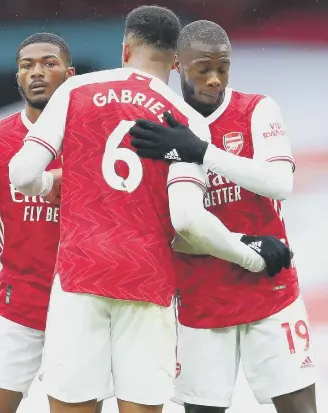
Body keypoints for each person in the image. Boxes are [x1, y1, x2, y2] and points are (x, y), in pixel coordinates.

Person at [8, 5, 291, 413]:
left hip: (79, 275)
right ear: (176, 62)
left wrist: (50, 182)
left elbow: (20, 174)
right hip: (147, 281)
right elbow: (189, 223)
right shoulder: (187, 120)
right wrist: (250, 256)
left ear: (125, 49)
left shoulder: (76, 90)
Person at [129, 20, 315, 413]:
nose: (215, 79)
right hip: (200, 297)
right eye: (203, 68)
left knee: (300, 407)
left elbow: (280, 183)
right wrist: (243, 244)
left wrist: (202, 152)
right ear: (178, 65)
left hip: (270, 287)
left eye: (224, 67)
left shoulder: (256, 109)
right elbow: (166, 228)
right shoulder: (159, 129)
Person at [0, 32, 105, 413]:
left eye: (49, 63)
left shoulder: (99, 138)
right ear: (18, 78)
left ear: (70, 75)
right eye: (27, 66)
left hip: (83, 309)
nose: (37, 72)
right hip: (17, 306)